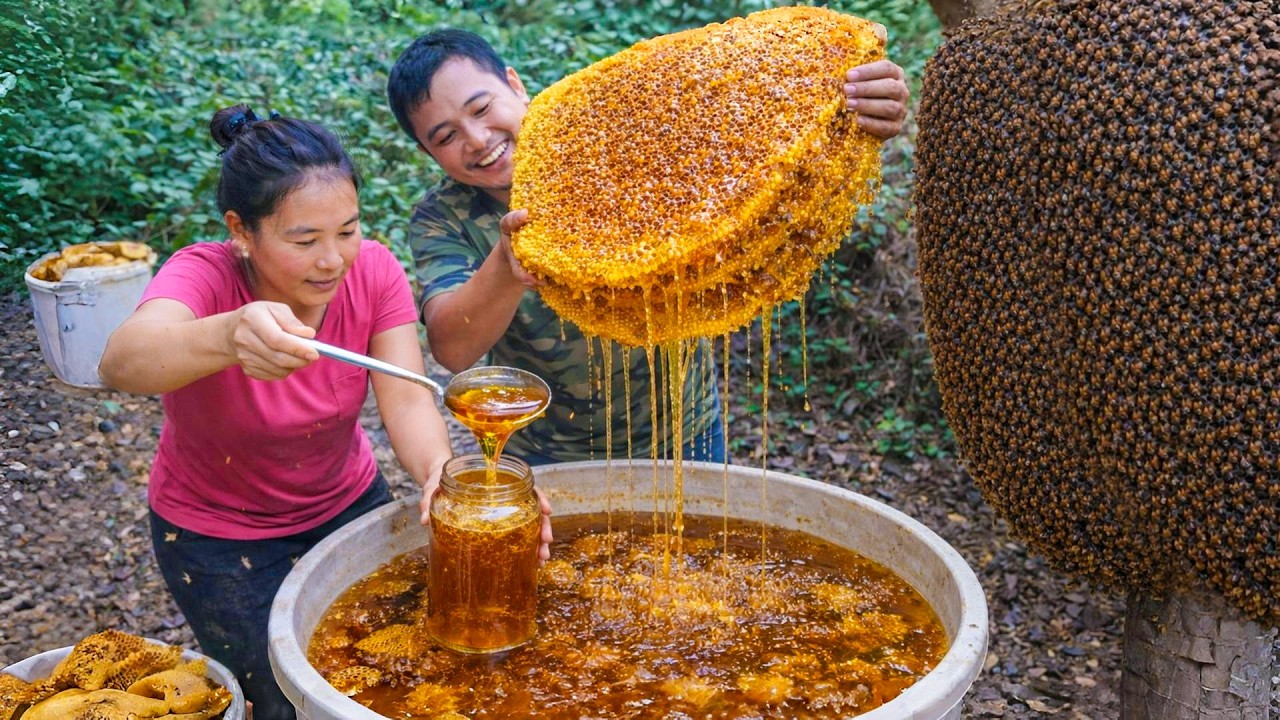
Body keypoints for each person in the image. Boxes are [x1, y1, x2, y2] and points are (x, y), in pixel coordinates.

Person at [387, 28, 911, 465]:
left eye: (481, 108)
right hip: (548, 453)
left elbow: (751, 132)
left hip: (688, 432)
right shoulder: (442, 217)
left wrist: (851, 110)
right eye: (445, 137)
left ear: (515, 85)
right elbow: (452, 349)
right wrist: (505, 264)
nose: (477, 139)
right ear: (428, 153)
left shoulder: (615, 129)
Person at [98, 106, 456, 720]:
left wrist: (439, 472)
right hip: (218, 537)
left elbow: (406, 394)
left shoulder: (374, 270)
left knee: (391, 674)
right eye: (304, 240)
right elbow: (122, 362)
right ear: (242, 230)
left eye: (347, 230)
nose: (333, 260)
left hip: (347, 502)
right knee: (276, 700)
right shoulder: (205, 274)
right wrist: (227, 335)